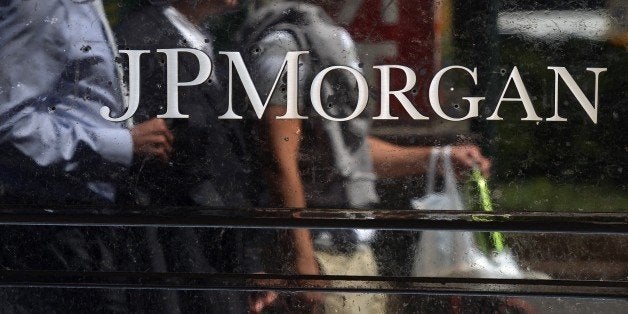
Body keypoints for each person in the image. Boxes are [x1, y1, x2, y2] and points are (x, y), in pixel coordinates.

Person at [238, 2, 490, 312]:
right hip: (321, 255)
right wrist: (302, 261)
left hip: (348, 249)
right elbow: (279, 159)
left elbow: (346, 153)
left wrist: (438, 157)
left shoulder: (328, 39)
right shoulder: (282, 47)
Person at [0, 0, 173, 311]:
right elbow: (9, 125)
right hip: (55, 232)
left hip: (88, 229)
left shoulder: (84, 6)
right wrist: (122, 145)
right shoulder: (40, 5)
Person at [114, 1, 274, 312]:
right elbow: (178, 165)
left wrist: (247, 261)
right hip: (181, 259)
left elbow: (223, 161)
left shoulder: (198, 38)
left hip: (212, 256)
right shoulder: (142, 40)